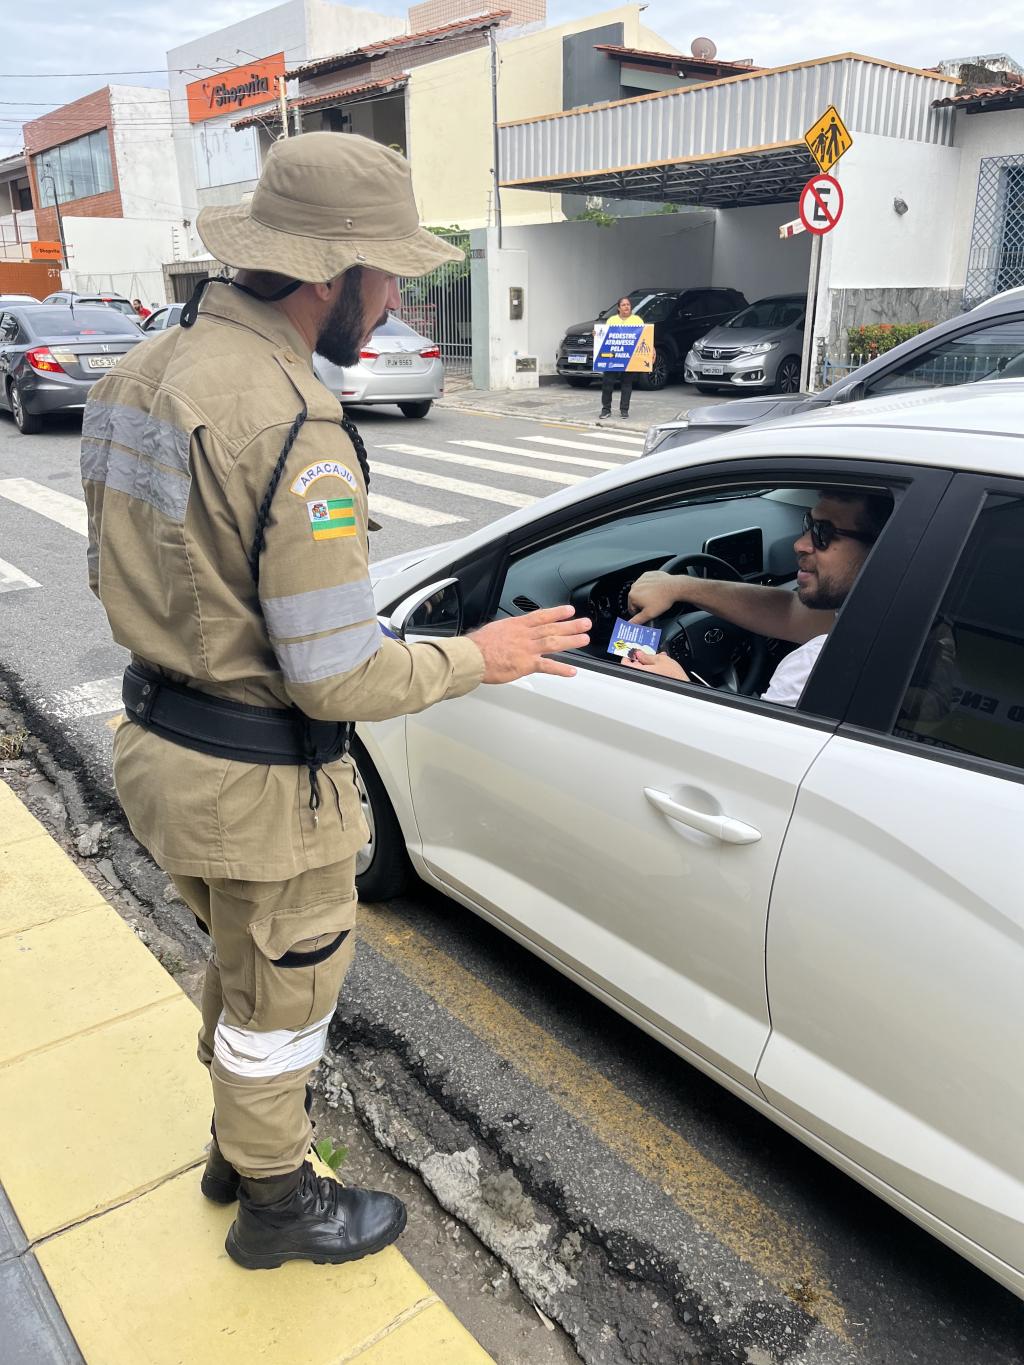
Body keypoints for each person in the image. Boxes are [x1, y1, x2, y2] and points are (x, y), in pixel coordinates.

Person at [81, 131, 590, 1271]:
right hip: (259, 786)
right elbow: (338, 673)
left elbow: (117, 570)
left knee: (241, 963)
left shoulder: (140, 371)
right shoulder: (293, 421)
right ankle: (276, 1207)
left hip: (161, 746)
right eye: (389, 272)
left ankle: (240, 1147)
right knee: (282, 1007)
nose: (398, 295)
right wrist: (483, 655)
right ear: (329, 275)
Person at [624, 489, 892, 704]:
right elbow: (791, 613)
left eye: (824, 533)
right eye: (808, 524)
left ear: (880, 548)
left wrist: (680, 692)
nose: (800, 544)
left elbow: (752, 761)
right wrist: (680, 587)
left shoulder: (815, 665)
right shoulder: (888, 618)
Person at [597, 296, 652, 421]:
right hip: (612, 358)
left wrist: (651, 350)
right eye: (623, 305)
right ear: (618, 308)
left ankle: (624, 410)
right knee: (607, 384)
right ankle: (606, 409)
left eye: (628, 304)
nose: (626, 307)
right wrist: (597, 334)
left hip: (630, 358)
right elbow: (604, 336)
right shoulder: (612, 320)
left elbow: (644, 337)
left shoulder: (637, 320)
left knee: (627, 384)